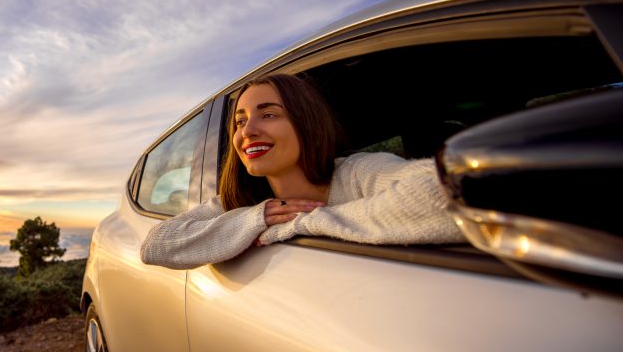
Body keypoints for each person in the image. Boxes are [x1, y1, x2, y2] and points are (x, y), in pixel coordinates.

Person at [141, 74, 466, 269]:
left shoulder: (356, 173)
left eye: (268, 115)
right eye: (239, 121)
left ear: (305, 122)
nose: (247, 131)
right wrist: (256, 219)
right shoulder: (240, 203)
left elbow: (441, 194)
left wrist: (299, 224)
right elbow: (154, 246)